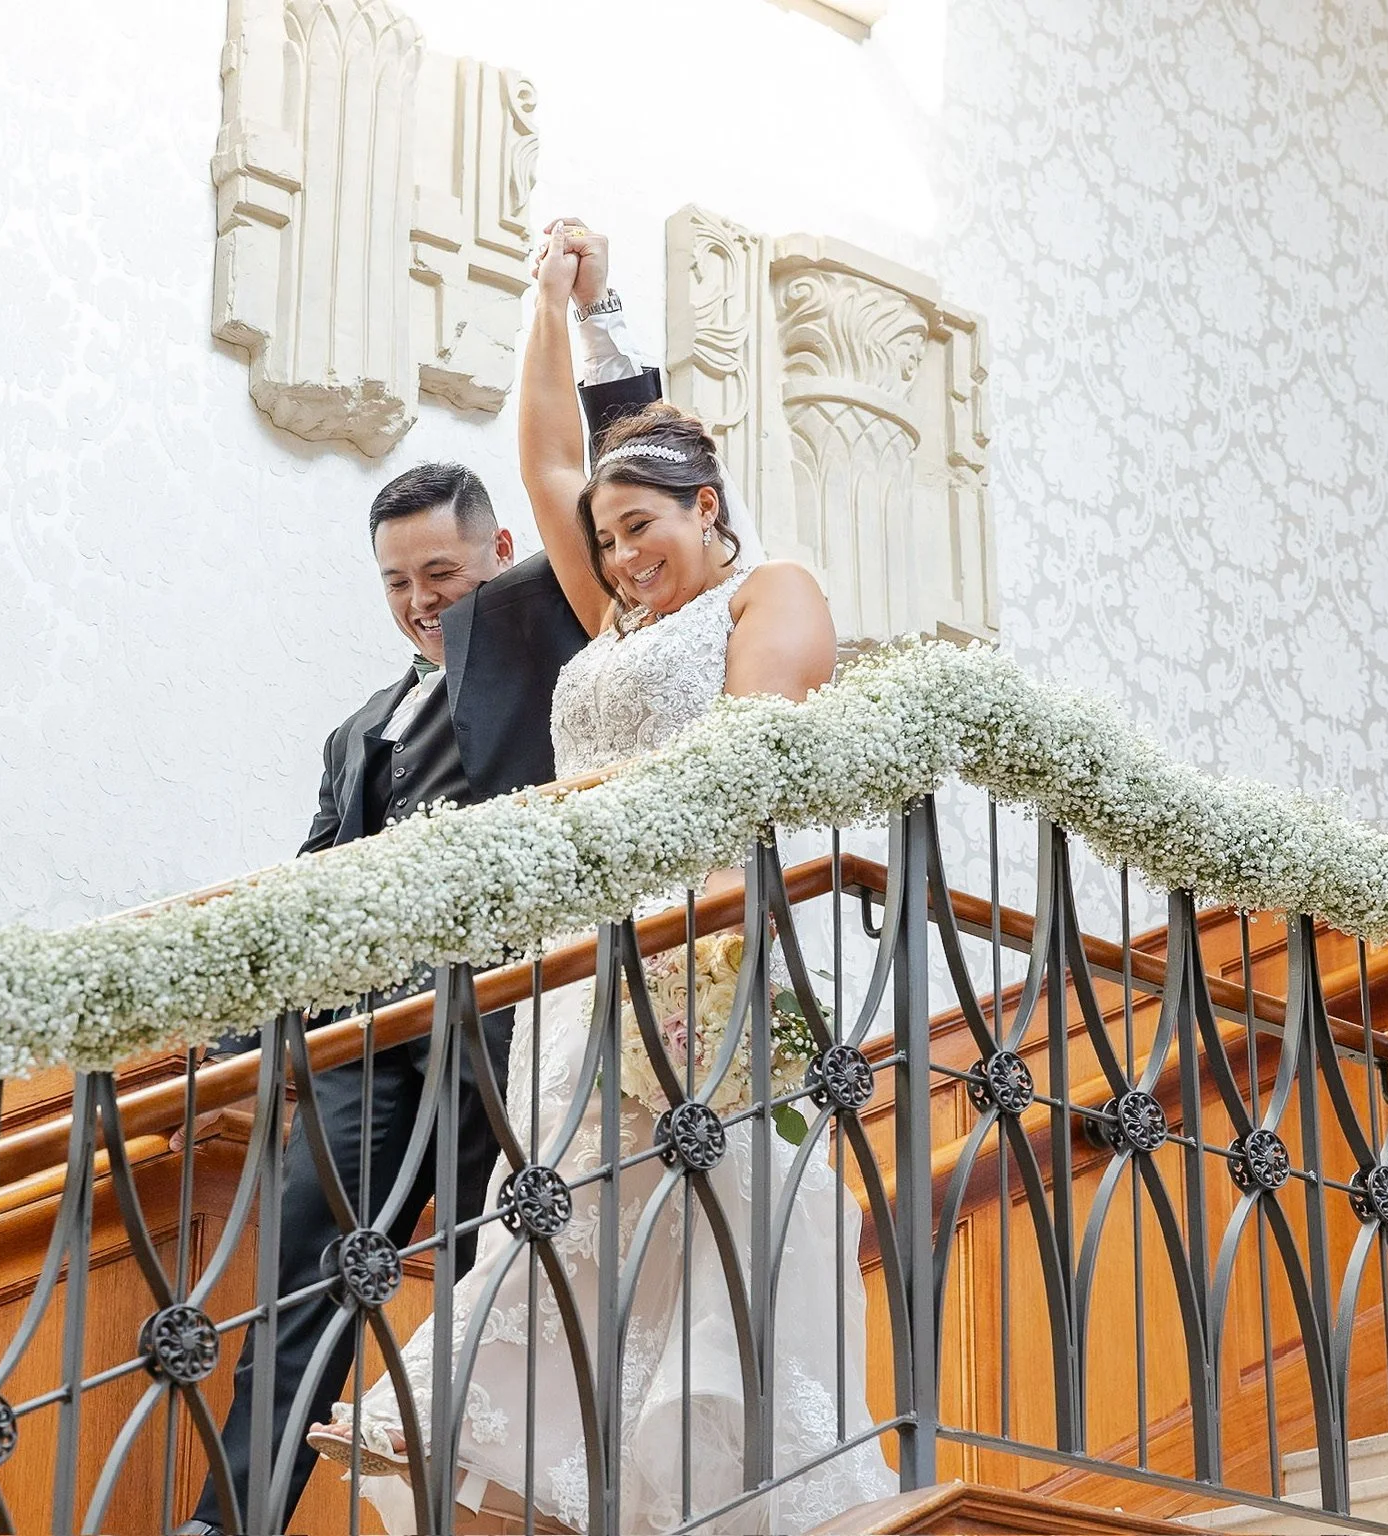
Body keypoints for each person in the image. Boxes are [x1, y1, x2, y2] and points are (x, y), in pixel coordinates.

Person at [306, 220, 896, 1534]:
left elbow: (739, 770)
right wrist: (554, 302)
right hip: (580, 978)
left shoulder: (771, 595)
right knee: (574, 1241)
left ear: (708, 508)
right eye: (606, 538)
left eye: (643, 530)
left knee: (698, 1241)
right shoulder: (626, 614)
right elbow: (549, 456)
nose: (621, 558)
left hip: (710, 949)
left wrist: (570, 823)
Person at [187, 232, 662, 1536]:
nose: (419, 604)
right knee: (303, 1281)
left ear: (496, 551)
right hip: (372, 1044)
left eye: (440, 575)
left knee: (496, 1291)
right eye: (397, 585)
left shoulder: (537, 620)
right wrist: (228, 1035)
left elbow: (623, 467)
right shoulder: (359, 730)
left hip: (515, 1018)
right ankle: (234, 1522)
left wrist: (592, 314)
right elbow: (311, 889)